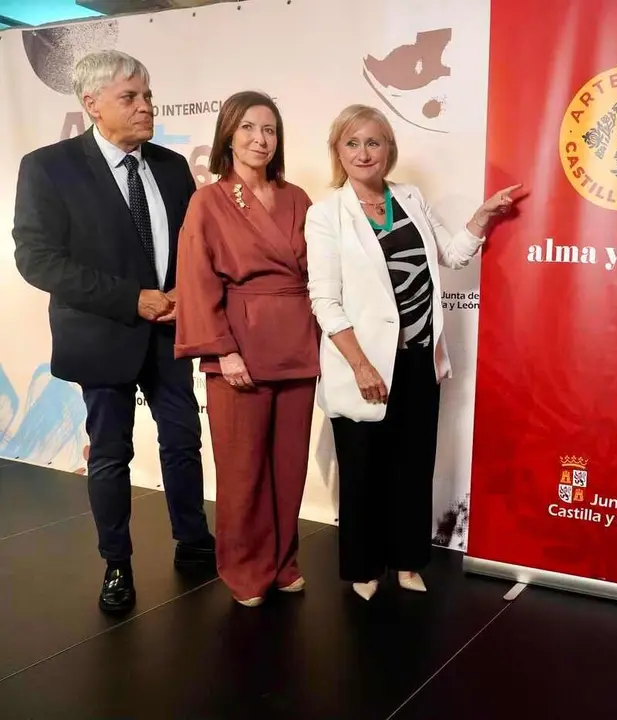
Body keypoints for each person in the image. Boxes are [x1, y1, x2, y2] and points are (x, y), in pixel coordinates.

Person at [11, 50, 215, 615]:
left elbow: (193, 249)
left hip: (172, 334)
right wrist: (133, 299)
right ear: (92, 104)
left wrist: (182, 294)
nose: (145, 106)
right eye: (131, 98)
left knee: (183, 442)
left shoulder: (173, 167)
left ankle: (195, 543)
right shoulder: (48, 166)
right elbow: (37, 260)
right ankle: (117, 564)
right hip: (102, 337)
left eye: (147, 95)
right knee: (109, 455)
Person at [305, 104, 522, 600]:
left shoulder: (409, 197)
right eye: (352, 143)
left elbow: (451, 254)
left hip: (419, 360)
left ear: (389, 149)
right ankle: (363, 568)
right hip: (363, 365)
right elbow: (325, 299)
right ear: (338, 151)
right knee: (362, 472)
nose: (364, 152)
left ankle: (407, 561)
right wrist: (359, 364)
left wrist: (482, 217)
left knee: (412, 466)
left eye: (374, 142)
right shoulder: (326, 214)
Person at [173, 91, 319, 607]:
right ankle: (244, 569)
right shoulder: (208, 201)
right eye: (250, 129)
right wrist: (222, 352)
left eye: (270, 130)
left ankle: (283, 563)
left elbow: (319, 273)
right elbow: (195, 281)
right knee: (242, 468)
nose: (261, 140)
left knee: (288, 464)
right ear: (228, 136)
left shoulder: (298, 196)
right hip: (240, 346)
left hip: (298, 341)